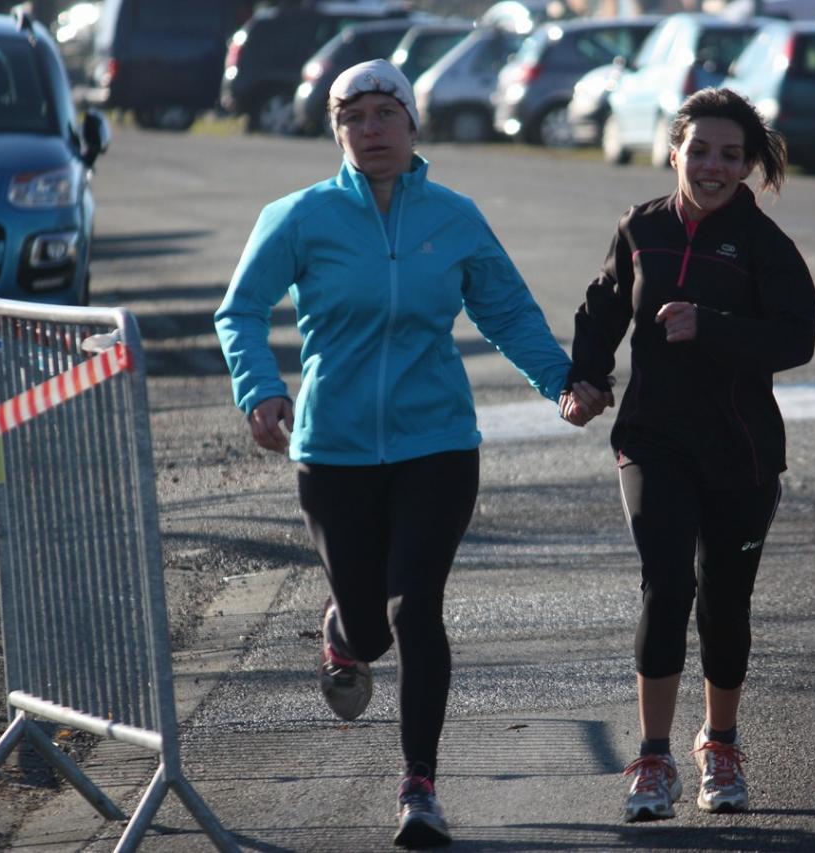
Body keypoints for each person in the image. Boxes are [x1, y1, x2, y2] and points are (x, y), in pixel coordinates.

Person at [215, 60, 599, 849]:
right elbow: (241, 309)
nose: (370, 130)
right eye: (352, 117)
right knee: (371, 626)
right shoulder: (300, 217)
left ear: (413, 122)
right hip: (334, 449)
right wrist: (260, 389)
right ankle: (342, 630)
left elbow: (507, 311)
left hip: (437, 444)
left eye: (385, 113)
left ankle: (419, 784)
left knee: (414, 608)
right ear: (336, 131)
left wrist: (562, 383)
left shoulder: (454, 217)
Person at [561, 87, 815, 822]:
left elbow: (796, 337)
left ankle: (721, 743)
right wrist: (585, 378)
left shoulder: (765, 245)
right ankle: (653, 757)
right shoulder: (641, 228)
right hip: (653, 440)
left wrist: (711, 325)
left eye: (730, 155)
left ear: (748, 165)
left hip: (742, 452)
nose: (712, 166)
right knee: (668, 584)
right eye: (698, 150)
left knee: (725, 602)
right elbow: (604, 307)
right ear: (674, 152)